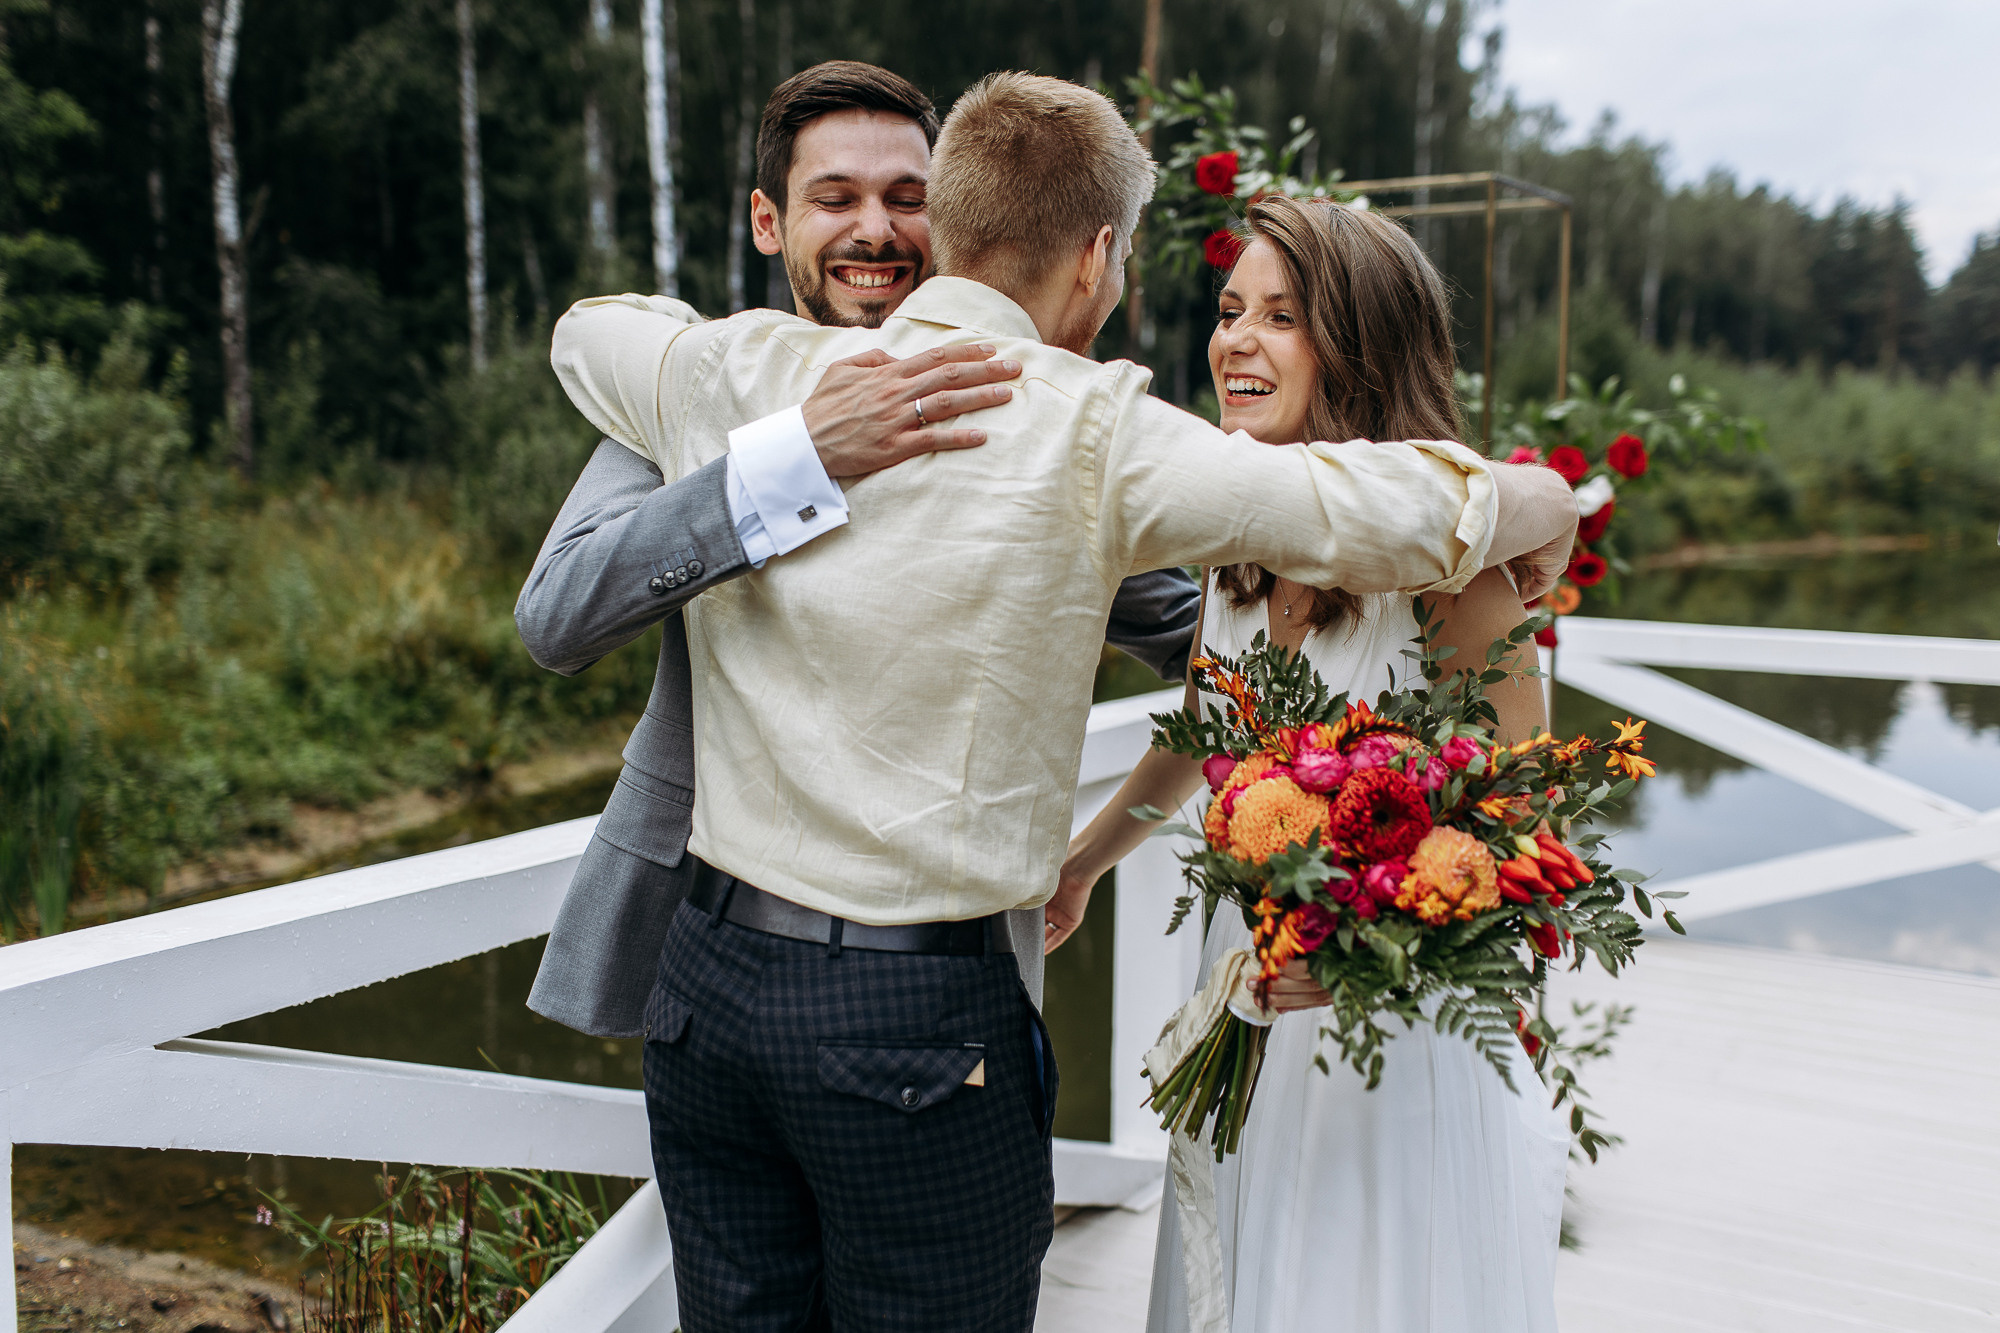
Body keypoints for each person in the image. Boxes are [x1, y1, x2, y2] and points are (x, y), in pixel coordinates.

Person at [550, 72, 1578, 1333]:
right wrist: (1544, 499)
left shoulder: (744, 367)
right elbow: (1391, 510)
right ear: (1096, 255)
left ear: (944, 213)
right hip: (914, 1030)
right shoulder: (1093, 427)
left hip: (707, 993)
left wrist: (793, 444)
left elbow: (584, 330)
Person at [517, 61, 1201, 1043]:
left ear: (954, 218)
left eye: (905, 199)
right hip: (695, 935)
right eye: (833, 198)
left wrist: (1097, 849)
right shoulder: (704, 386)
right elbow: (557, 615)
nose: (873, 231)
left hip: (941, 978)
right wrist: (787, 463)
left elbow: (1217, 660)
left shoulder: (1035, 423)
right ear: (768, 222)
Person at [1052, 197, 1569, 1333]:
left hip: (1386, 1031)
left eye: (1279, 318)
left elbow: (1524, 825)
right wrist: (1084, 864)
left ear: (1360, 348)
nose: (1234, 340)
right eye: (1230, 310)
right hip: (1247, 987)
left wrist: (1355, 956)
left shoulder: (1455, 575)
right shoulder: (1238, 539)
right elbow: (1202, 731)